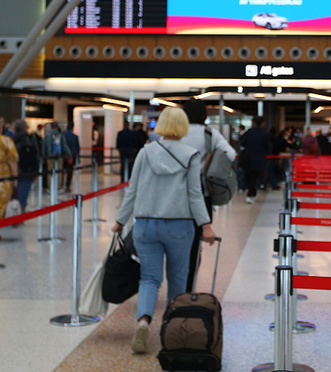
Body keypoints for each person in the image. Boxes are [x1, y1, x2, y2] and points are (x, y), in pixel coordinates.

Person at [111, 107, 216, 354]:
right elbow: (194, 194)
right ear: (183, 127)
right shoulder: (191, 155)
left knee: (149, 277)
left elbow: (132, 190)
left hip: (145, 225)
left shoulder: (145, 152)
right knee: (178, 278)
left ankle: (143, 323)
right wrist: (206, 224)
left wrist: (120, 220)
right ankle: (172, 329)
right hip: (179, 226)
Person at [180, 98, 236, 291]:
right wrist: (209, 162)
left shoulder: (176, 133)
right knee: (195, 245)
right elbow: (230, 153)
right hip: (201, 194)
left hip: (175, 196)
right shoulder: (210, 134)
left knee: (175, 243)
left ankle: (174, 286)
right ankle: (188, 288)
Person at [239, 116, 271, 204]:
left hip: (249, 158)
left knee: (250, 177)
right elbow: (267, 147)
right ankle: (252, 193)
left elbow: (242, 142)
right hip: (260, 159)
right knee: (257, 177)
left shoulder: (249, 132)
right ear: (262, 123)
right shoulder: (264, 133)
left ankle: (251, 193)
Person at [11, 119, 39, 214]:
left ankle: (12, 212)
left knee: (13, 194)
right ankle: (20, 213)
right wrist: (36, 171)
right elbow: (36, 155)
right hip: (28, 171)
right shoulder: (31, 139)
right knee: (23, 194)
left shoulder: (10, 140)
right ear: (24, 128)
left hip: (12, 171)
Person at [41, 122, 72, 191]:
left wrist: (43, 156)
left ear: (51, 127)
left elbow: (44, 147)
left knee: (50, 172)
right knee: (59, 172)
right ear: (57, 127)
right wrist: (69, 154)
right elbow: (65, 146)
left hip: (49, 157)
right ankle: (58, 188)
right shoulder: (61, 135)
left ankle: (50, 187)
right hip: (59, 156)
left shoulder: (47, 136)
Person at [62, 122, 80, 192]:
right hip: (71, 157)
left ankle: (61, 184)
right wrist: (78, 157)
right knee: (70, 171)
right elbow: (77, 148)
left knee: (61, 171)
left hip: (63, 155)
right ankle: (67, 185)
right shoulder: (75, 137)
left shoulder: (63, 135)